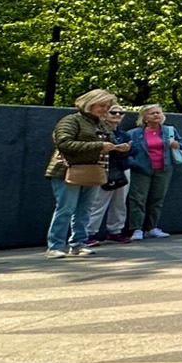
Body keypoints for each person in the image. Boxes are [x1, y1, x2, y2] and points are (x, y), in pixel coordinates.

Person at [44, 89, 130, 258]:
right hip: (67, 170)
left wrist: (120, 148)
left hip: (93, 170)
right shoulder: (71, 120)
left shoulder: (102, 123)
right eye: (102, 105)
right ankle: (55, 245)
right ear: (89, 103)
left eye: (108, 106)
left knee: (85, 209)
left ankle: (79, 243)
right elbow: (64, 143)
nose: (105, 109)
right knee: (66, 208)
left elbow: (110, 142)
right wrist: (98, 146)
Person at [123, 104, 182, 239]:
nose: (156, 115)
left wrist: (176, 145)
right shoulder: (134, 133)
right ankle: (136, 229)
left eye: (158, 113)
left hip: (163, 169)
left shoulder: (169, 131)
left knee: (157, 199)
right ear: (145, 117)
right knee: (138, 199)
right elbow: (127, 152)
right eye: (152, 113)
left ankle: (152, 228)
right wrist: (135, 164)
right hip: (141, 170)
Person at [85, 104, 132, 244]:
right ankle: (88, 233)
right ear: (105, 114)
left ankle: (115, 231)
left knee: (120, 202)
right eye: (113, 112)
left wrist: (126, 149)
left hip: (122, 169)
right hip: (103, 168)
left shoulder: (124, 134)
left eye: (121, 113)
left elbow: (133, 151)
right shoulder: (97, 132)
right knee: (98, 201)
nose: (117, 115)